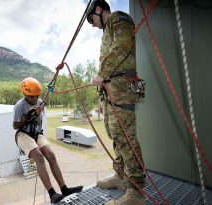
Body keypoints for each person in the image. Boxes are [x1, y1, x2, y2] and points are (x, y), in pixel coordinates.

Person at [86, 0, 146, 205]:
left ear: (99, 9)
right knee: (115, 135)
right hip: (112, 91)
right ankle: (121, 177)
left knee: (126, 138)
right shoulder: (106, 31)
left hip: (123, 89)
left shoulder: (120, 19)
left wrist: (102, 73)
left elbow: (122, 45)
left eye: (91, 19)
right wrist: (102, 96)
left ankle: (136, 192)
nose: (92, 25)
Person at [13, 77, 83, 203]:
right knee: (39, 157)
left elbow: (39, 117)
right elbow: (15, 125)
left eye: (36, 96)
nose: (34, 99)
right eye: (31, 97)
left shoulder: (40, 101)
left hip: (36, 132)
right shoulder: (20, 105)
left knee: (51, 155)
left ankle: (64, 188)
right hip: (23, 134)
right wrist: (26, 117)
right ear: (25, 94)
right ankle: (52, 194)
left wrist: (38, 113)